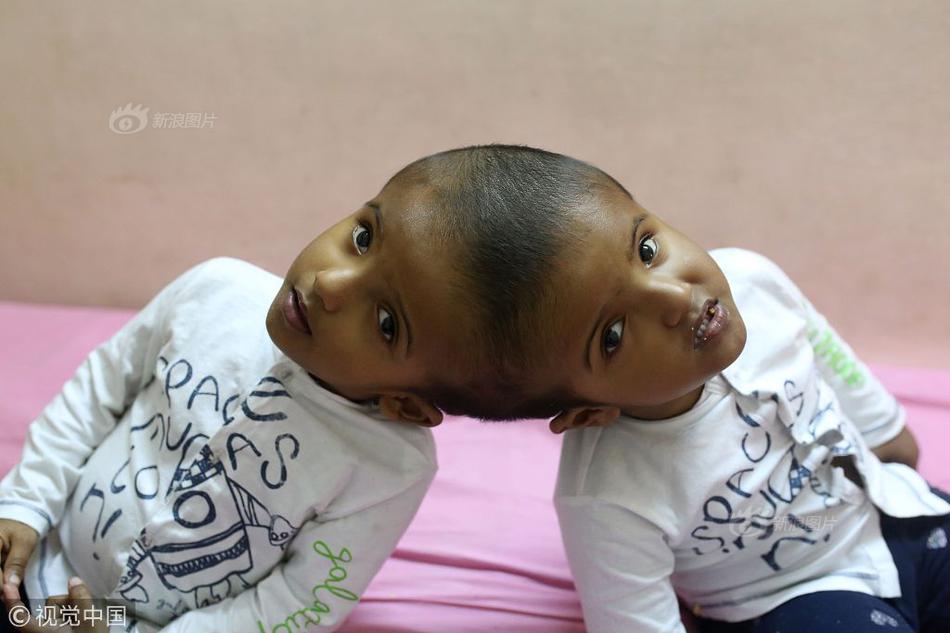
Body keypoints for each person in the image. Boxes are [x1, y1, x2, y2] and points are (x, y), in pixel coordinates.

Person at [0, 145, 584, 632]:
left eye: (386, 322)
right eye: (363, 237)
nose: (330, 284)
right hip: (33, 543)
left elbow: (297, 605)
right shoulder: (214, 291)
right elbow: (96, 392)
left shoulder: (387, 469)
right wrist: (24, 503)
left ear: (406, 403)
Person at [505, 168, 948, 631]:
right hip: (784, 601)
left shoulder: (752, 283)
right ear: (588, 411)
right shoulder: (604, 499)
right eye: (612, 334)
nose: (675, 295)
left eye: (646, 250)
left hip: (891, 507)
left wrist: (888, 438)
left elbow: (832, 361)